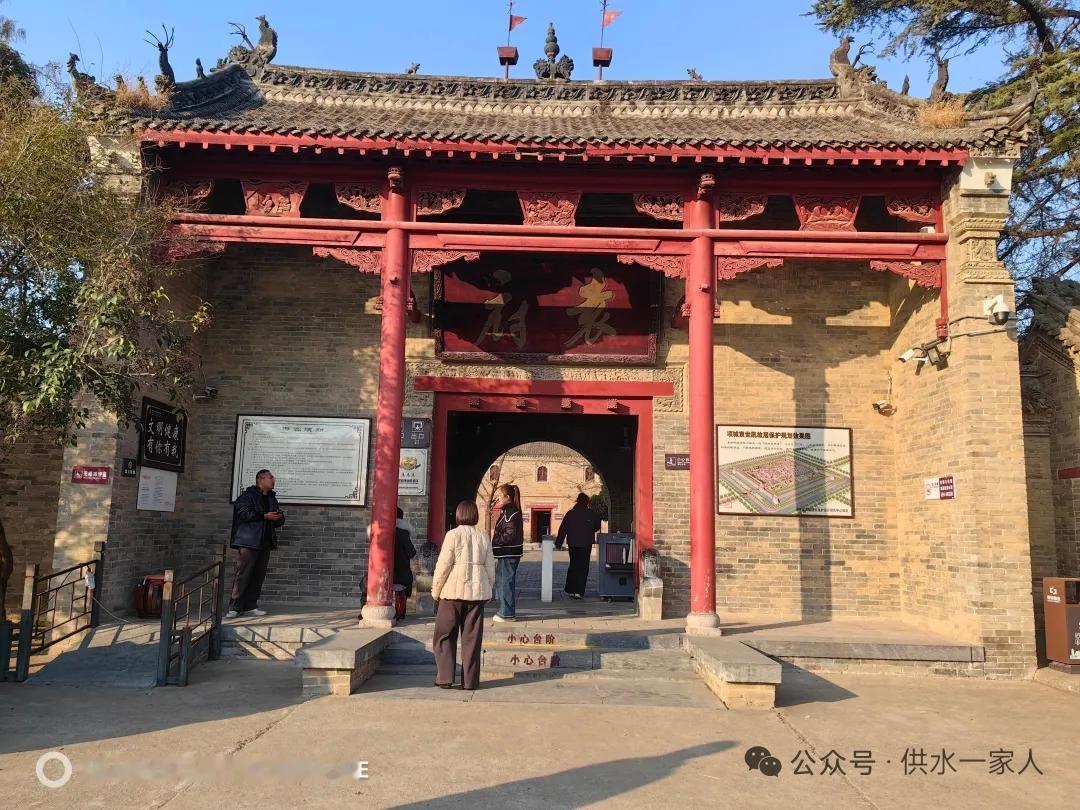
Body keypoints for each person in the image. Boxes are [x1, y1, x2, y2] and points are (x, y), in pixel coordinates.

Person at [431, 500, 495, 690]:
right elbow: (490, 566)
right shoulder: (483, 536)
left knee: (444, 636)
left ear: (459, 515)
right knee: (472, 640)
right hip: (476, 595)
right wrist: (488, 588)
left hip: (452, 593)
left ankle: (445, 678)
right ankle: (470, 681)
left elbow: (443, 565)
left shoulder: (452, 535)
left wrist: (436, 590)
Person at [227, 469, 285, 618]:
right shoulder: (247, 496)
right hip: (249, 541)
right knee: (243, 575)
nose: (273, 480)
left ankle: (250, 606)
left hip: (265, 542)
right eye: (270, 477)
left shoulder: (271, 498)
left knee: (258, 576)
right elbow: (244, 514)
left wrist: (279, 518)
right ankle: (234, 607)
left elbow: (276, 519)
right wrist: (264, 516)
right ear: (261, 479)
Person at [558, 493, 602, 599]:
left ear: (577, 501)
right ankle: (579, 591)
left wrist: (559, 543)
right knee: (583, 567)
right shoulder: (591, 513)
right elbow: (597, 525)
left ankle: (571, 590)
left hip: (573, 543)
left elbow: (563, 528)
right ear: (587, 502)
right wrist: (589, 530)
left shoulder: (570, 513)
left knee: (573, 565)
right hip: (586, 543)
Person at [490, 483, 524, 622]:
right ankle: (505, 611)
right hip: (508, 552)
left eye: (500, 495)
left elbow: (510, 533)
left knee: (505, 582)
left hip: (508, 552)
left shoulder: (510, 512)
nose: (498, 497)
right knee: (503, 581)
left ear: (507, 497)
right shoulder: (508, 511)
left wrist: (497, 542)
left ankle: (507, 613)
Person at [393, 507, 417, 620]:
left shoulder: (380, 530)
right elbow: (411, 553)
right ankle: (399, 612)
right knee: (402, 588)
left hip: (381, 571)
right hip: (400, 571)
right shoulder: (402, 533)